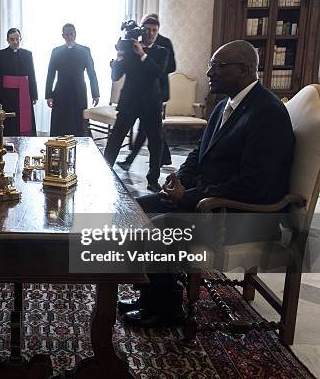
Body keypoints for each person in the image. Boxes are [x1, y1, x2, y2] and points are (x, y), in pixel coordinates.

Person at [118, 40, 295, 327]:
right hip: (207, 202)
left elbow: (253, 185)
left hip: (242, 215)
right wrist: (181, 181)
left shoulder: (267, 113)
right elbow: (198, 154)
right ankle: (153, 294)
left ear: (244, 70)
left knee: (158, 227)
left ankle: (167, 309)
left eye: (217, 66)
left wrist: (188, 197)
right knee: (133, 211)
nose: (210, 72)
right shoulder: (225, 105)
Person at [103, 16, 168, 192]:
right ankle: (104, 171)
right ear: (141, 30)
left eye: (154, 30)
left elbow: (158, 73)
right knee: (115, 138)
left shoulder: (162, 52)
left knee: (155, 142)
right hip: (129, 102)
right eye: (147, 30)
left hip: (151, 103)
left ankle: (153, 179)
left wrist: (142, 54)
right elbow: (115, 76)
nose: (151, 33)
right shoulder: (129, 50)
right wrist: (119, 56)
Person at [118, 13, 175, 170]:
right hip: (138, 93)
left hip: (157, 89)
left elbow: (170, 67)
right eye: (144, 28)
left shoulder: (164, 44)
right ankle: (136, 160)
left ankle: (157, 162)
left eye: (153, 29)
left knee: (152, 133)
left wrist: (149, 60)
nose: (147, 33)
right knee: (147, 130)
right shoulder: (135, 43)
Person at [45, 23, 100, 136]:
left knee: (79, 120)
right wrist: (48, 95)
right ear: (63, 36)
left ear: (75, 34)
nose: (69, 36)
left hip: (79, 90)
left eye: (71, 34)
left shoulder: (85, 50)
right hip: (60, 90)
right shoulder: (56, 51)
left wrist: (95, 93)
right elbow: (50, 74)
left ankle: (79, 145)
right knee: (59, 120)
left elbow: (91, 73)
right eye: (67, 34)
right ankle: (58, 145)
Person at [0, 28, 38, 136]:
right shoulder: (0, 55)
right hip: (6, 94)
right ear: (7, 40)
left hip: (24, 93)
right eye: (12, 39)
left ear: (20, 39)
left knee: (24, 122)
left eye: (17, 39)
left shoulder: (28, 54)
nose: (15, 42)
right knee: (8, 123)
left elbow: (31, 75)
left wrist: (34, 95)